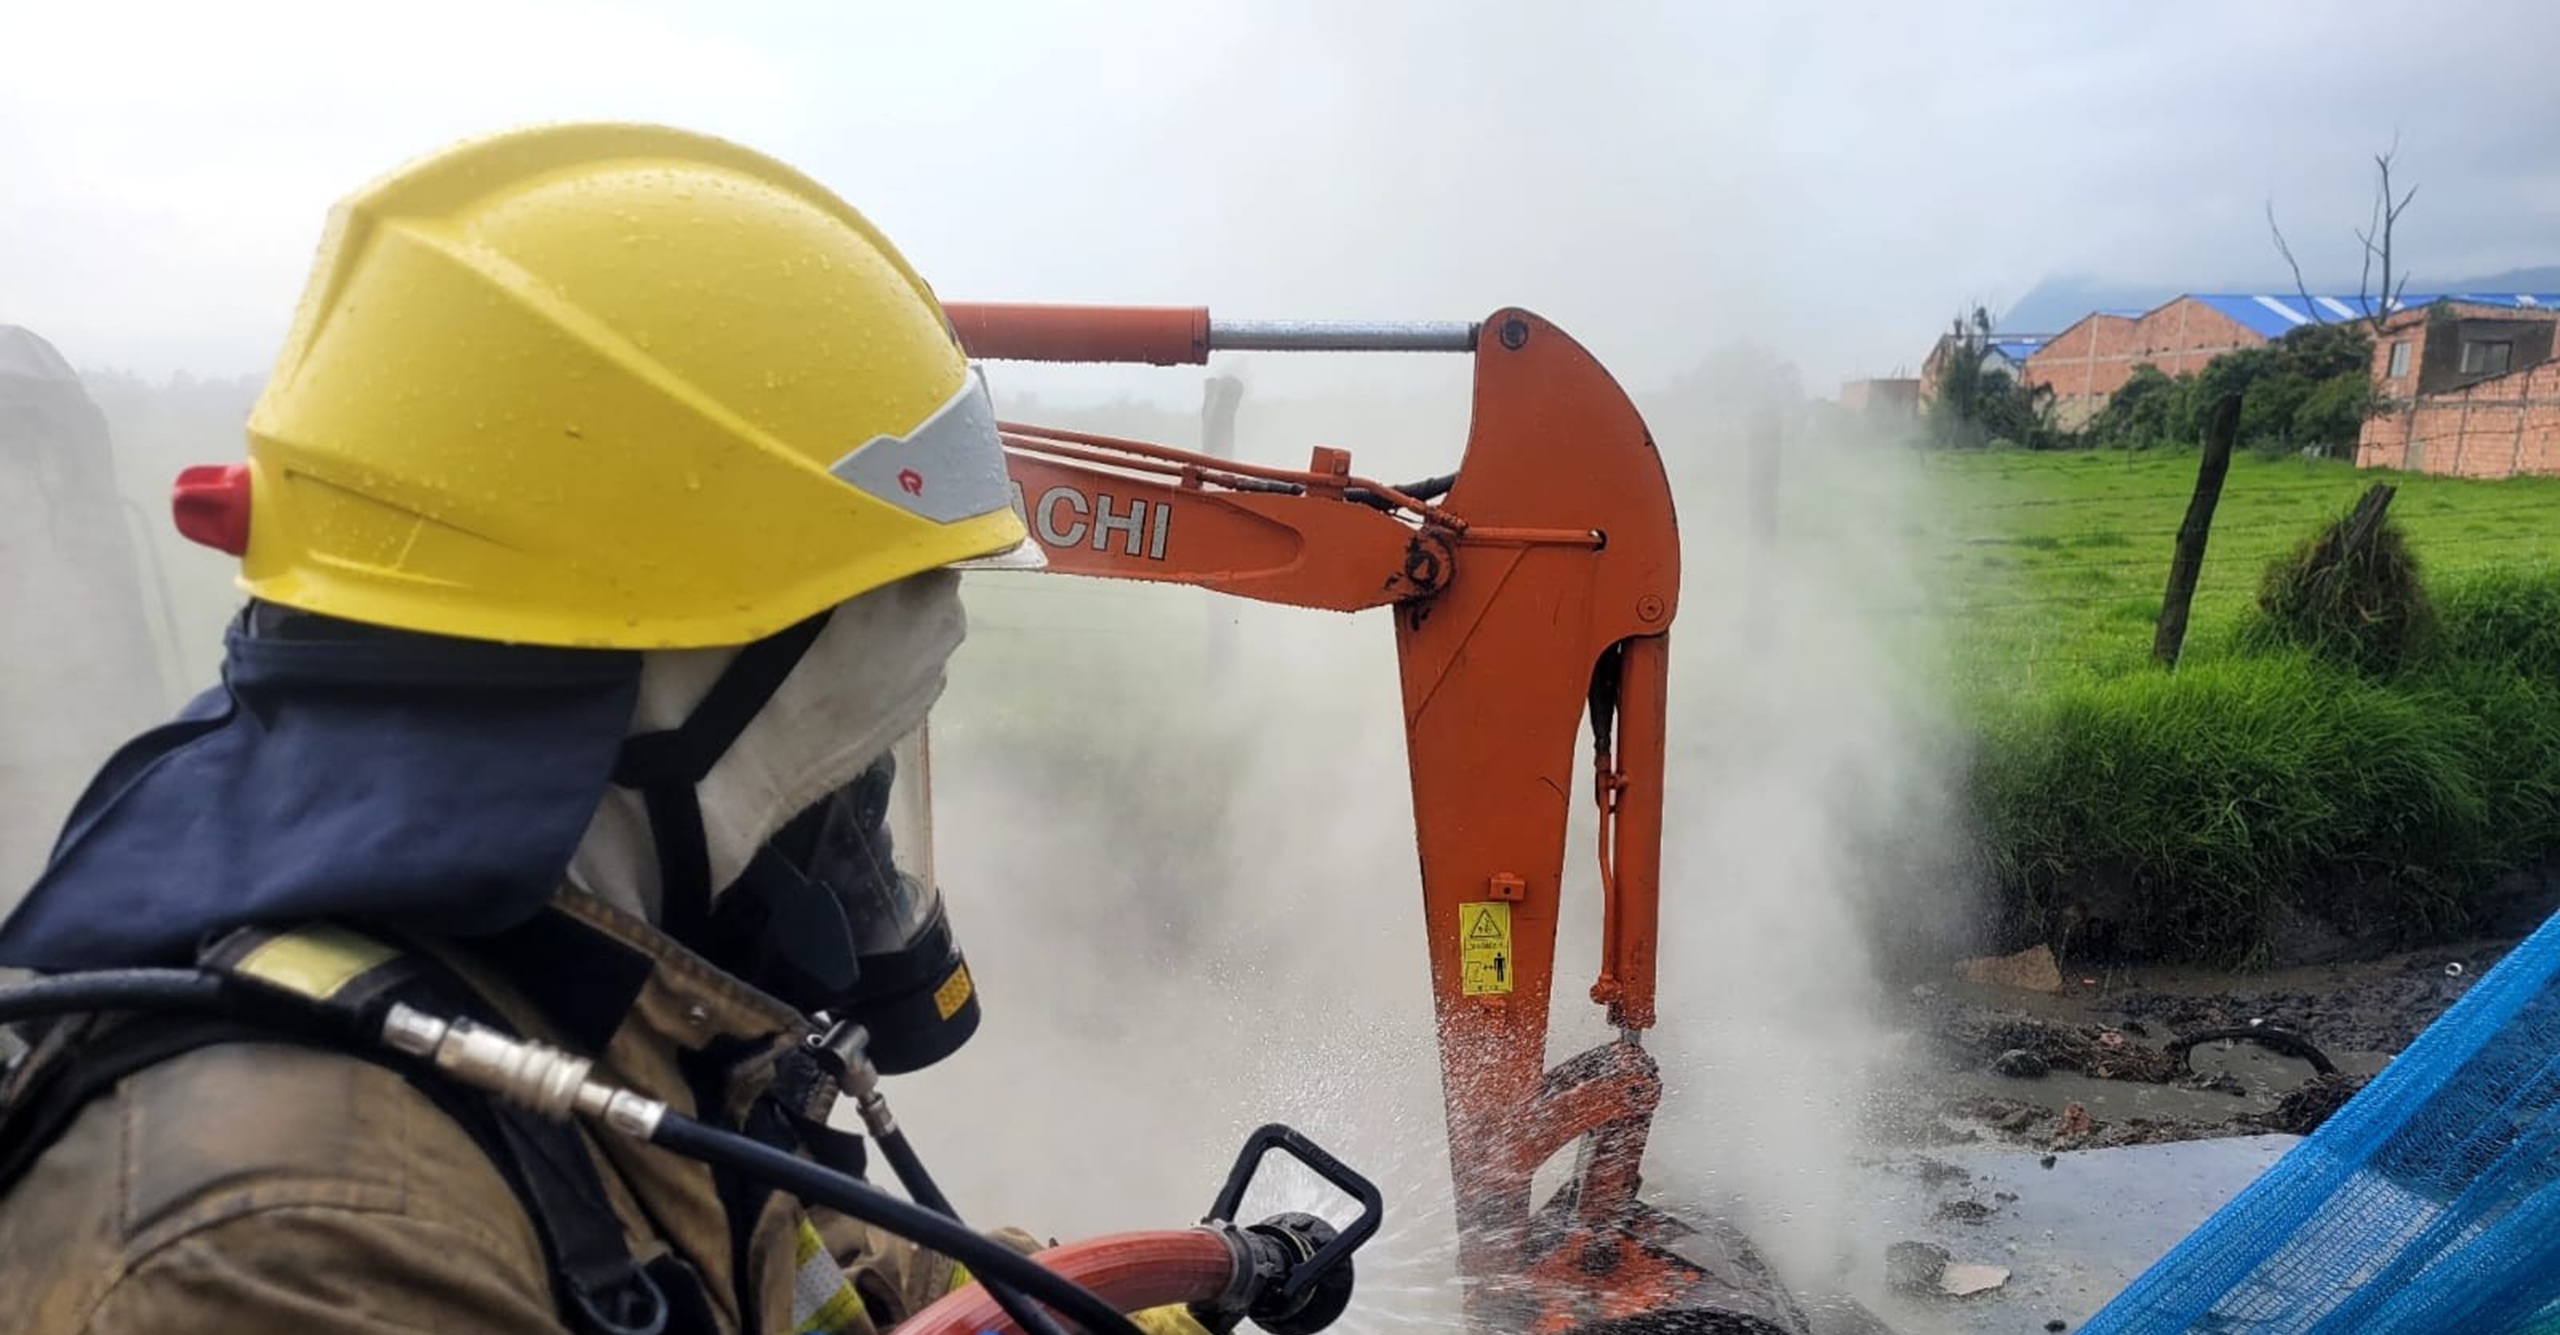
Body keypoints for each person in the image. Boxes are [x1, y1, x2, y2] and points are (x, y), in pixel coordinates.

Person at [0, 121, 1183, 1335]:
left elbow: (782, 1259)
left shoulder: (577, 990)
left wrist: (1052, 1304)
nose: (853, 833)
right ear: (652, 690)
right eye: (837, 763)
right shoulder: (297, 1245)